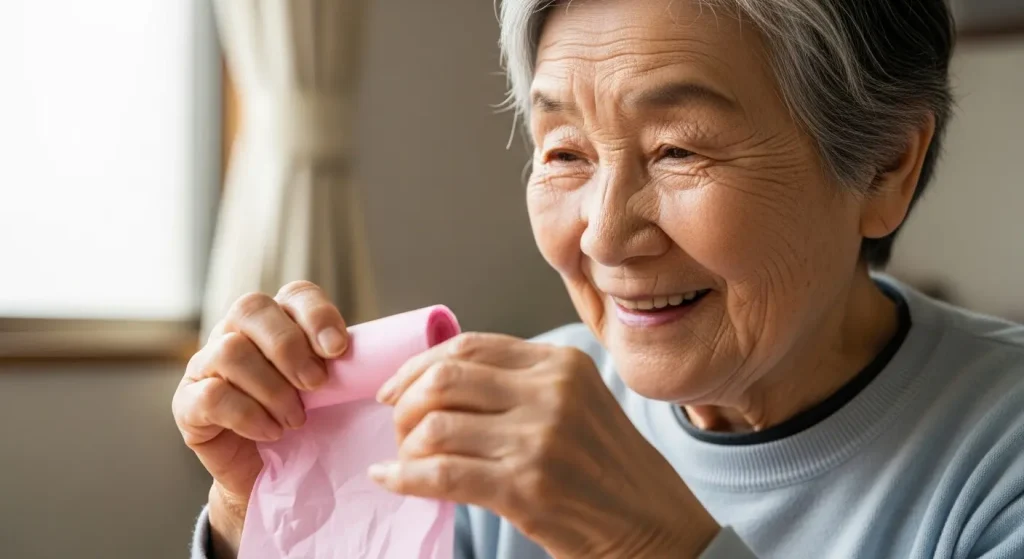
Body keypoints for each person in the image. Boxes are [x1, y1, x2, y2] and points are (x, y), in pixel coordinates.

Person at [175, 0, 1024, 557]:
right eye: (565, 153)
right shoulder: (492, 419)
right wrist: (264, 518)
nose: (606, 232)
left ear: (884, 166)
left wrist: (655, 543)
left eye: (679, 148)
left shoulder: (998, 459)